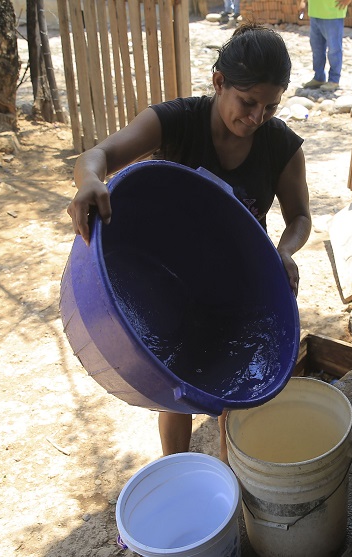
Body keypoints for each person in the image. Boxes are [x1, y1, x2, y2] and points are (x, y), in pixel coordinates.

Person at [66, 24, 311, 462]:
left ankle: (224, 473)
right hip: (167, 271)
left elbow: (300, 218)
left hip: (235, 281)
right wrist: (88, 181)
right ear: (219, 82)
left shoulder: (281, 147)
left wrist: (285, 251)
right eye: (248, 102)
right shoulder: (177, 121)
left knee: (229, 388)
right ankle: (175, 467)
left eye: (270, 107)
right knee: (173, 384)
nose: (257, 118)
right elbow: (95, 157)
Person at [299, 0, 352, 92]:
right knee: (317, 49)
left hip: (333, 12)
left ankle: (334, 80)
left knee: (334, 50)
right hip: (314, 12)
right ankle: (318, 77)